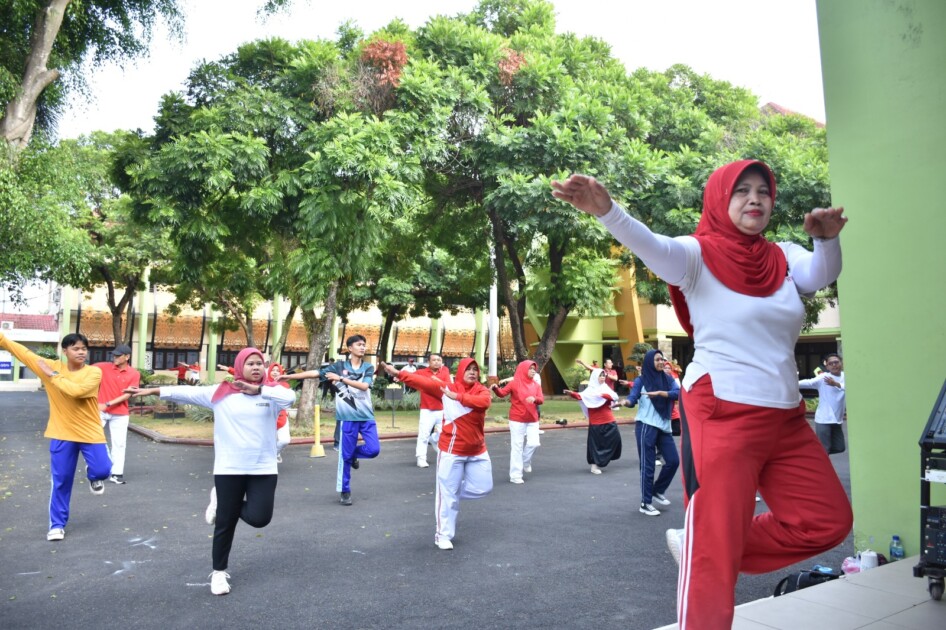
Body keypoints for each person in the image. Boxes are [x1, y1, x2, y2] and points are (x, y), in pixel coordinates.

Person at [552, 160, 852, 629]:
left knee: (827, 520)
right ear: (719, 198)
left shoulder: (785, 255)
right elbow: (652, 246)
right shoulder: (696, 254)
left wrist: (827, 238)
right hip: (723, 410)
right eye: (741, 191)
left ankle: (704, 542)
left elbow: (820, 273)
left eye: (763, 191)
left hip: (786, 417)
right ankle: (707, 546)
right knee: (712, 557)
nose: (755, 199)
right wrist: (607, 212)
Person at [124, 347, 295, 595]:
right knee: (225, 522)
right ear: (239, 367)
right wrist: (151, 390)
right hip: (229, 467)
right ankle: (218, 573)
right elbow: (185, 393)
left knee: (260, 518)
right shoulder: (221, 393)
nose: (256, 368)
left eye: (260, 363)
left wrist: (258, 389)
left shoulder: (271, 394)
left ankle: (223, 503)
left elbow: (290, 399)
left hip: (263, 467)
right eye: (250, 364)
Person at [0, 331, 108, 541]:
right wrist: (3, 339)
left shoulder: (93, 373)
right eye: (76, 348)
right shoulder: (49, 365)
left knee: (103, 469)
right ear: (65, 351)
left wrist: (51, 375)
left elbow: (75, 392)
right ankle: (57, 524)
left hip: (90, 431)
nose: (81, 352)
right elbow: (22, 352)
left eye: (84, 349)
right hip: (61, 432)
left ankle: (93, 475)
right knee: (61, 480)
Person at [380, 358, 493, 550]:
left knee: (483, 488)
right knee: (447, 495)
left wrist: (456, 396)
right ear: (461, 372)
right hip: (452, 450)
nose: (473, 372)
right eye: (469, 369)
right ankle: (443, 536)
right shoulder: (445, 387)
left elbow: (484, 402)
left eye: (475, 369)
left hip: (477, 450)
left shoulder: (480, 390)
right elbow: (423, 382)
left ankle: (451, 491)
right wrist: (399, 374)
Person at [279, 335, 380, 506]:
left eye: (364, 345)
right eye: (359, 344)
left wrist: (340, 379)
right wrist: (290, 377)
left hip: (366, 416)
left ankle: (352, 454)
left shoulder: (368, 367)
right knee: (344, 459)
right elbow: (315, 372)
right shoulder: (339, 366)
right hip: (347, 418)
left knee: (373, 450)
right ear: (350, 348)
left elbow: (364, 386)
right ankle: (344, 490)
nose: (363, 347)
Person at [621, 349, 679, 516]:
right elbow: (633, 398)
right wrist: (626, 402)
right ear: (649, 363)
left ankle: (657, 490)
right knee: (648, 465)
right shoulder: (641, 380)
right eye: (657, 360)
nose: (661, 362)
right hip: (646, 425)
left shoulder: (668, 379)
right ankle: (645, 503)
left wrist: (661, 393)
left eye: (662, 359)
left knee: (673, 461)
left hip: (663, 426)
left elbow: (679, 393)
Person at [93, 344, 141, 484]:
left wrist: (108, 403)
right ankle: (101, 467)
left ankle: (116, 473)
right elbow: (84, 370)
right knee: (93, 440)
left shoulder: (134, 373)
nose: (115, 358)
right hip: (100, 411)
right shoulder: (103, 367)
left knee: (119, 443)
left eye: (118, 356)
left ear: (127, 357)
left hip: (119, 413)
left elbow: (128, 395)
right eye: (114, 355)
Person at [491, 360, 544, 483]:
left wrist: (535, 399)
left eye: (533, 369)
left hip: (532, 419)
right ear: (523, 369)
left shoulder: (536, 385)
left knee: (534, 443)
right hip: (517, 419)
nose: (532, 371)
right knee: (517, 447)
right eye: (530, 368)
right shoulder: (514, 383)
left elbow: (541, 399)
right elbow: (502, 393)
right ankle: (515, 476)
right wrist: (495, 388)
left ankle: (525, 460)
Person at [564, 368, 622, 474]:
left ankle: (605, 458)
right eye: (600, 375)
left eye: (604, 375)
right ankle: (594, 466)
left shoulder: (606, 388)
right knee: (596, 445)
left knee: (616, 439)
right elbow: (580, 396)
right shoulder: (589, 391)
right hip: (596, 422)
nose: (603, 378)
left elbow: (614, 397)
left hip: (609, 419)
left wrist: (604, 395)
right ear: (595, 377)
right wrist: (571, 393)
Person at [798, 353, 847, 455]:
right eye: (831, 363)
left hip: (837, 420)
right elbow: (808, 382)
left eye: (836, 362)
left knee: (840, 447)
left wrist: (836, 384)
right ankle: (819, 458)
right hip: (824, 419)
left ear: (841, 363)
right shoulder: (824, 377)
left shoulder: (845, 377)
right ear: (827, 366)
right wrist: (791, 382)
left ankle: (814, 453)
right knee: (825, 449)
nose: (834, 365)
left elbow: (850, 387)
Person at [413, 353, 452, 468]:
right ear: (428, 362)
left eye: (439, 360)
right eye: (434, 360)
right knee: (423, 435)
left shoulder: (444, 371)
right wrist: (397, 376)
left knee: (445, 433)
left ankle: (434, 439)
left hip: (442, 408)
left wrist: (436, 381)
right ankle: (421, 458)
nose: (436, 362)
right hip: (427, 409)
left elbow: (448, 385)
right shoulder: (422, 372)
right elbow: (409, 377)